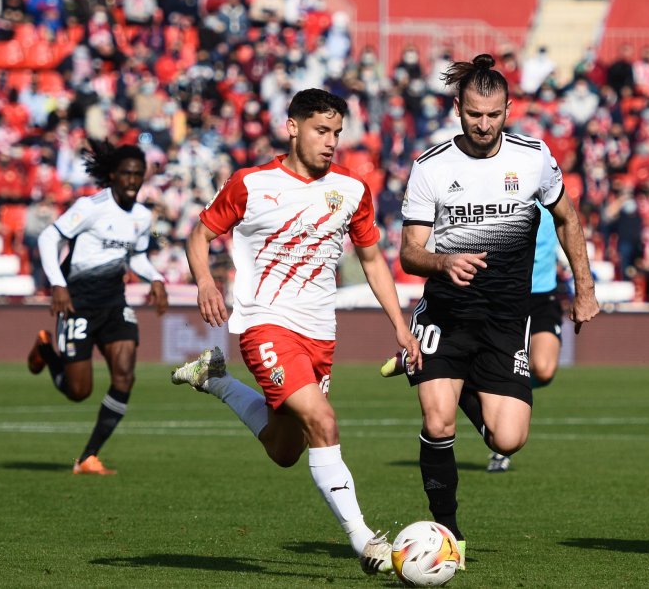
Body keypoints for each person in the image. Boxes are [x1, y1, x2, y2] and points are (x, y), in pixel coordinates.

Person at [171, 89, 420, 576]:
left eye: (337, 133)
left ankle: (214, 379)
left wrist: (400, 325)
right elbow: (199, 234)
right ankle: (365, 541)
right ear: (292, 127)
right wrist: (205, 281)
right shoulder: (251, 183)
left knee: (286, 451)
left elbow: (372, 259)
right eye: (321, 131)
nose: (331, 142)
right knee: (323, 421)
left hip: (319, 334)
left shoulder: (351, 190)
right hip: (265, 323)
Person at [396, 53, 599, 561]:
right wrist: (442, 264)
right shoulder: (431, 166)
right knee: (437, 422)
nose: (483, 125)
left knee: (508, 440)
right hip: (445, 316)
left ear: (508, 109)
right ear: (457, 109)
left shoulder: (533, 158)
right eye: (472, 115)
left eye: (492, 114)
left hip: (507, 321)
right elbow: (409, 252)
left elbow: (569, 220)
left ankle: (459, 387)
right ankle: (447, 535)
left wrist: (586, 287)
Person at [27, 141, 169, 475]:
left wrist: (156, 278)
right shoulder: (90, 207)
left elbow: (136, 257)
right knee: (78, 391)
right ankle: (47, 349)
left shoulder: (142, 215)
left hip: (114, 302)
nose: (132, 180)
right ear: (112, 176)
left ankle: (88, 456)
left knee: (125, 375)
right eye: (126, 174)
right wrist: (58, 285)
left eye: (138, 174)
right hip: (78, 301)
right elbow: (49, 237)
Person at [486, 203, 565, 473]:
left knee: (543, 369)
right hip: (505, 296)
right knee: (503, 366)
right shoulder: (503, 195)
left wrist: (584, 285)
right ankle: (500, 427)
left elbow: (570, 230)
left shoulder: (554, 197)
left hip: (542, 295)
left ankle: (505, 394)